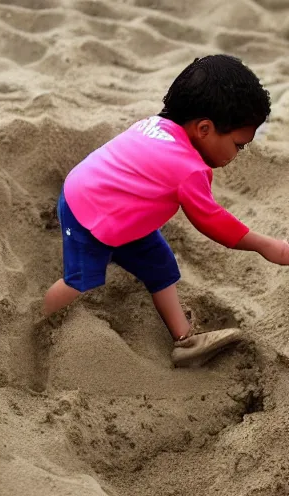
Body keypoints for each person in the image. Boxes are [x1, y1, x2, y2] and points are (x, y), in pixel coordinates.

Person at [40, 54, 284, 368]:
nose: (237, 154)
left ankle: (185, 340)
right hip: (89, 215)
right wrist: (267, 245)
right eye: (238, 145)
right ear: (205, 129)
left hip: (117, 210)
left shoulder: (156, 124)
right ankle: (40, 318)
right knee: (80, 279)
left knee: (161, 264)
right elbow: (213, 222)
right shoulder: (189, 170)